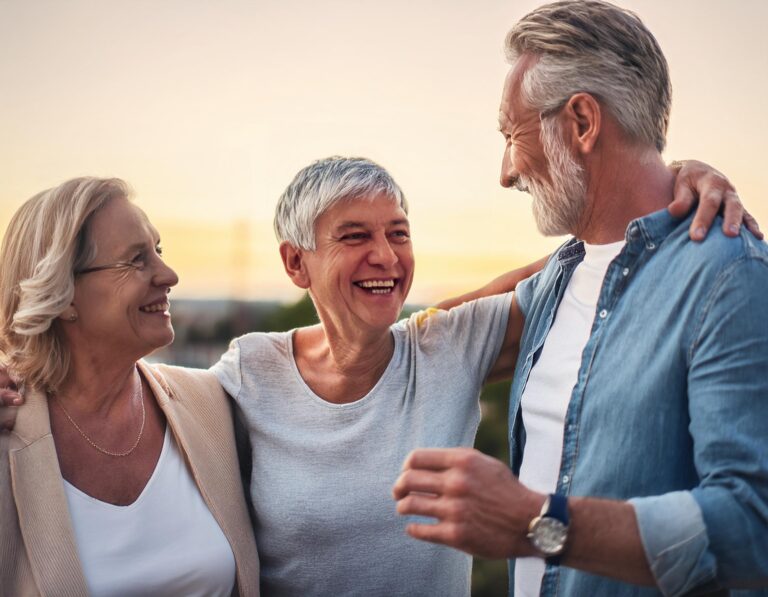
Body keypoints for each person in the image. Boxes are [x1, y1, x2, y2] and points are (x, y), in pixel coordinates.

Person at [0, 158, 749, 595]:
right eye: (353, 237)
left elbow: (577, 273)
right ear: (296, 264)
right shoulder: (238, 378)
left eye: (398, 233)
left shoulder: (445, 348)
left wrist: (667, 180)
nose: (385, 256)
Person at [393, 2, 768, 596]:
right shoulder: (559, 279)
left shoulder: (729, 277)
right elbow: (416, 347)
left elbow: (754, 528)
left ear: (583, 123)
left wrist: (537, 524)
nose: (506, 172)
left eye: (512, 135)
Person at [0, 178, 259, 596]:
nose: (169, 274)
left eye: (158, 251)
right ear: (62, 294)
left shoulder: (211, 402)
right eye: (137, 260)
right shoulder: (7, 432)